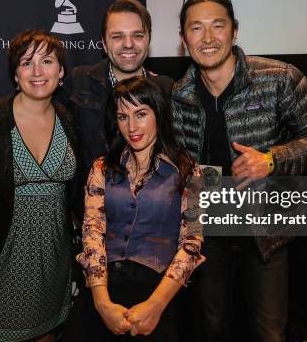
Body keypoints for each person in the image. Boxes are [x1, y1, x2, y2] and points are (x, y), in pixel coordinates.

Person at [172, 0, 307, 341]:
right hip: (209, 234)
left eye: (218, 26)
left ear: (235, 30)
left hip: (264, 232)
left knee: (269, 332)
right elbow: (183, 162)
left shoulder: (277, 78)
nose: (208, 38)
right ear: (184, 39)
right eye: (196, 28)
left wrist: (273, 160)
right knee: (212, 328)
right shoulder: (179, 94)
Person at [0, 0, 173, 214]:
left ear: (148, 40)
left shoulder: (167, 89)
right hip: (92, 217)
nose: (128, 44)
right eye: (117, 36)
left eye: (137, 35)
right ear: (104, 44)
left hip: (153, 215)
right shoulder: (79, 81)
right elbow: (34, 106)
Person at [63, 76, 204, 341]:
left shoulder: (189, 170)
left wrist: (155, 306)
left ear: (158, 114)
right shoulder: (101, 168)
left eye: (141, 114)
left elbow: (192, 243)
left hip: (159, 289)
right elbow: (92, 234)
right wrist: (102, 304)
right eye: (123, 116)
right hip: (103, 286)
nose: (132, 126)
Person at [0, 29, 78, 341]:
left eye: (47, 61)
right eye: (27, 63)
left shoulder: (70, 119)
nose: (37, 72)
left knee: (46, 335)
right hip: (0, 258)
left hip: (55, 257)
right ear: (15, 75)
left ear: (61, 72)